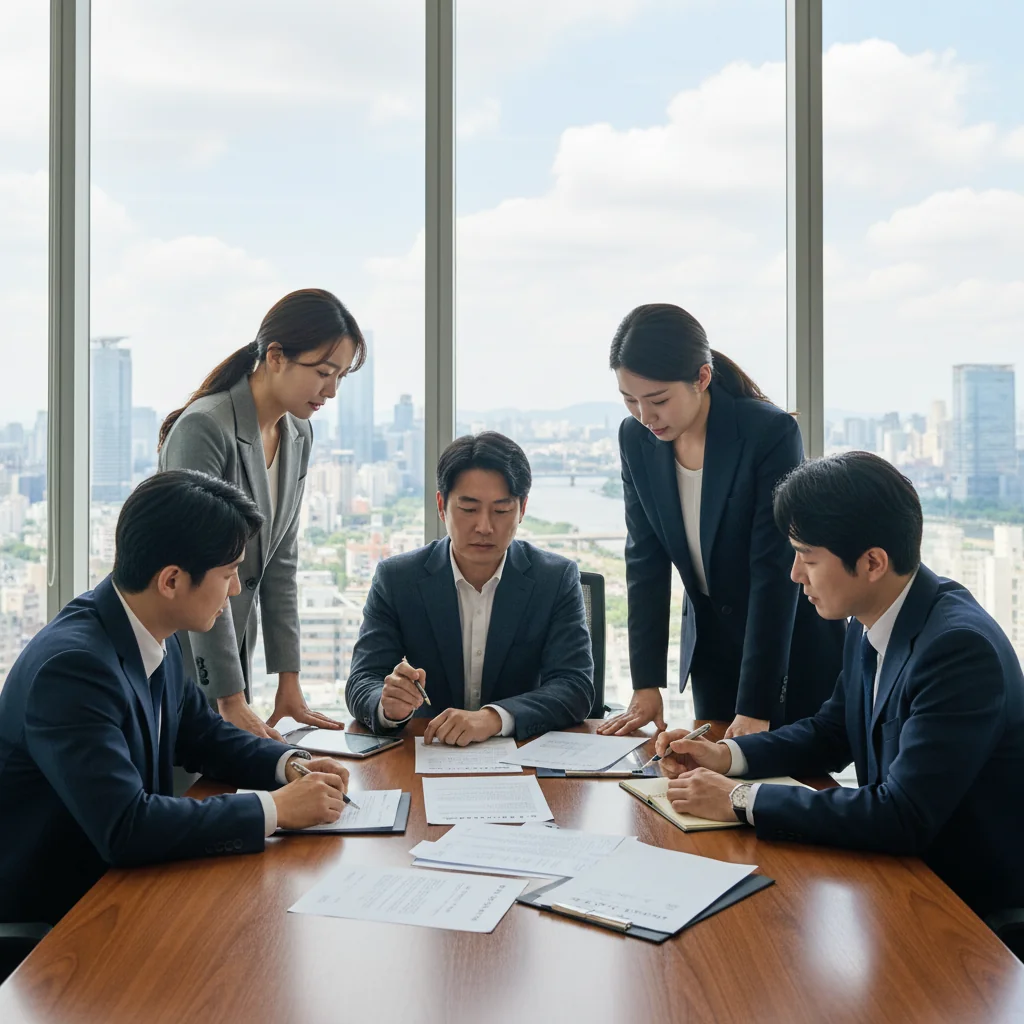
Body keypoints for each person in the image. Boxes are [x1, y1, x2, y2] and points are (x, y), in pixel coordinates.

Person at [655, 452, 1024, 921]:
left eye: (807, 558)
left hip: (968, 913)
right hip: (901, 879)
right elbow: (832, 732)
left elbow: (902, 816)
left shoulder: (957, 650)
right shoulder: (872, 618)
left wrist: (739, 799)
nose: (794, 574)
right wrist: (727, 758)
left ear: (872, 562)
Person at [0, 471, 351, 926]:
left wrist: (289, 765)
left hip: (128, 889)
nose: (235, 590)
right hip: (62, 920)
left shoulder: (143, 631)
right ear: (171, 580)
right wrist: (278, 809)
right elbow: (126, 827)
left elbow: (204, 736)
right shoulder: (72, 670)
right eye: (228, 574)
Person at [598, 303, 845, 740]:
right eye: (629, 399)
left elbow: (773, 572)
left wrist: (755, 707)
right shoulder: (635, 438)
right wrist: (645, 684)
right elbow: (644, 561)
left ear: (702, 378)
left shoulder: (767, 433)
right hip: (713, 649)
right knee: (707, 787)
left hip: (786, 648)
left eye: (657, 400)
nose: (644, 415)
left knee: (790, 788)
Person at [159, 288, 365, 740]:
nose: (331, 390)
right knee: (186, 793)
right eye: (324, 372)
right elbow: (195, 566)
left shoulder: (298, 433)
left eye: (341, 377)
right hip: (185, 647)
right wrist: (230, 699)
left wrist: (288, 684)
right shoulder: (206, 428)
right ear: (275, 357)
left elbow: (280, 562)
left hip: (235, 647)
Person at [345, 432, 594, 744]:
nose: (485, 527)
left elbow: (574, 686)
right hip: (424, 754)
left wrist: (492, 718)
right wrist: (389, 705)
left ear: (522, 509)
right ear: (441, 506)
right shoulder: (397, 579)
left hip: (521, 756)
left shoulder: (554, 579)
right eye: (469, 508)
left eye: (501, 510)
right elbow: (362, 679)